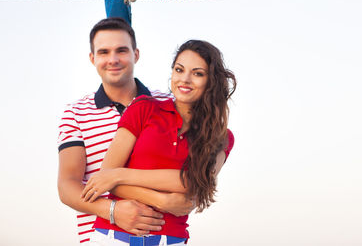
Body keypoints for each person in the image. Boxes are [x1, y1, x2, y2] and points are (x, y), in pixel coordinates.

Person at [80, 40, 237, 245]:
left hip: (169, 240)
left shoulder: (221, 137)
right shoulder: (143, 108)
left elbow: (193, 183)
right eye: (179, 70)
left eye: (198, 73)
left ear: (211, 81)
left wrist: (120, 175)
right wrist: (162, 200)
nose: (185, 79)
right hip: (112, 237)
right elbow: (105, 178)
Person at [57, 17, 193, 245]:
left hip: (165, 236)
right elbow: (67, 185)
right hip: (102, 236)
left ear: (135, 54)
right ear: (92, 59)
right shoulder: (75, 112)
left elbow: (190, 175)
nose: (113, 60)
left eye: (121, 50)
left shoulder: (170, 103)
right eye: (103, 52)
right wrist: (113, 210)